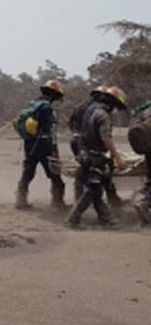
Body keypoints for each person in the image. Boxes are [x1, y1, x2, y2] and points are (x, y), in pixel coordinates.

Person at [66, 86, 127, 228]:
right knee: (92, 189)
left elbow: (80, 131)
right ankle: (72, 219)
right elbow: (106, 137)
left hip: (85, 153)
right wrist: (117, 157)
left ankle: (107, 219)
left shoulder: (91, 111)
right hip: (95, 156)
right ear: (113, 104)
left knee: (95, 188)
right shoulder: (104, 116)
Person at [14, 80, 68, 210]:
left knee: (28, 171)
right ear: (55, 95)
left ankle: (20, 200)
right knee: (55, 173)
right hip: (44, 144)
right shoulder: (47, 108)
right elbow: (51, 130)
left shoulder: (32, 104)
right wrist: (54, 149)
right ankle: (58, 202)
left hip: (30, 143)